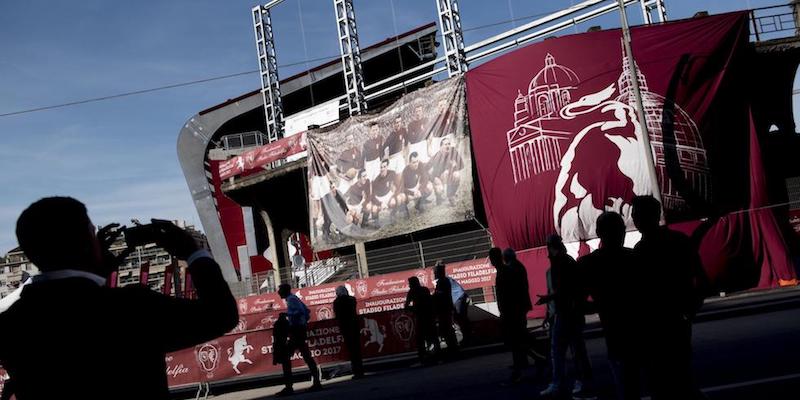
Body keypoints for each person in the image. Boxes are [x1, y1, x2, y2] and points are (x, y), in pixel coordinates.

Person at [0, 197, 238, 399]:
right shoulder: (133, 307)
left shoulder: (10, 322)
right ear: (87, 243)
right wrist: (193, 252)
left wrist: (95, 270)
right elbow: (221, 315)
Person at [631, 195, 706, 400]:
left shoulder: (641, 251)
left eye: (636, 215)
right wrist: (690, 309)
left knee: (661, 383)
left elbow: (638, 293)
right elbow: (701, 279)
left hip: (655, 325)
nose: (635, 219)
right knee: (682, 378)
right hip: (676, 320)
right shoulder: (679, 241)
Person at [578, 212, 644, 400]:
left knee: (627, 389)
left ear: (599, 232)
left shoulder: (588, 264)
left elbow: (579, 304)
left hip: (616, 337)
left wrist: (603, 305)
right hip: (644, 333)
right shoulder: (635, 258)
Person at [537, 235, 594, 399]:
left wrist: (549, 302)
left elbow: (563, 290)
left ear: (550, 247)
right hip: (567, 312)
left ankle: (563, 383)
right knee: (575, 350)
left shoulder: (560, 264)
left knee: (561, 350)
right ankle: (579, 381)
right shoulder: (565, 261)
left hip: (566, 313)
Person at [490, 247, 533, 383]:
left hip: (512, 312)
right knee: (519, 339)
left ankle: (521, 366)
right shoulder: (510, 269)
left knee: (517, 340)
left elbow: (507, 295)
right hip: (514, 310)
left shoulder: (506, 271)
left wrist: (504, 313)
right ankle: (524, 363)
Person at [277, 284, 322, 396]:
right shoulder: (293, 298)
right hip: (299, 330)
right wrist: (303, 323)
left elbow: (301, 311)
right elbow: (307, 311)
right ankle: (316, 381)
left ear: (284, 291)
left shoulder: (291, 299)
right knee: (306, 355)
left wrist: (289, 315)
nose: (278, 292)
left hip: (296, 330)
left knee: (286, 357)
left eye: (280, 290)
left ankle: (289, 387)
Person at [404, 276, 440, 364]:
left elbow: (407, 306)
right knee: (432, 336)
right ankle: (437, 355)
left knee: (421, 338)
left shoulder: (412, 292)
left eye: (410, 284)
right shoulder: (424, 290)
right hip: (428, 317)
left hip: (421, 318)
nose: (409, 285)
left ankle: (423, 357)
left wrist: (413, 309)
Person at [333, 285, 364, 378]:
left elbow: (337, 315)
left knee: (351, 350)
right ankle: (360, 370)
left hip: (345, 327)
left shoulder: (337, 302)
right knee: (357, 349)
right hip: (354, 325)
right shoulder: (352, 299)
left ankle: (356, 371)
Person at [427, 137, 464, 206]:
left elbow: (461, 165)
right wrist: (434, 180)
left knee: (456, 175)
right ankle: (439, 196)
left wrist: (454, 167)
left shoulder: (453, 151)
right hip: (438, 177)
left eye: (449, 144)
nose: (448, 146)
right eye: (445, 144)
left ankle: (451, 195)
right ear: (441, 147)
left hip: (447, 175)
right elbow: (428, 170)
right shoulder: (437, 157)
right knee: (440, 187)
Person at [433, 263, 459, 355]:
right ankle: (453, 347)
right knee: (446, 329)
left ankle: (453, 348)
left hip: (444, 308)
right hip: (444, 308)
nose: (434, 273)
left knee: (447, 329)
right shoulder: (443, 281)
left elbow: (440, 295)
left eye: (436, 271)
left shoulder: (443, 281)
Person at [370, 158, 400, 223]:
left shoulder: (392, 173)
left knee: (395, 201)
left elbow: (398, 187)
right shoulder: (376, 180)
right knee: (374, 208)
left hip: (389, 195)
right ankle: (376, 223)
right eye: (381, 167)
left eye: (384, 167)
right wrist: (380, 203)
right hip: (380, 199)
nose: (382, 169)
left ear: (387, 167)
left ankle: (393, 216)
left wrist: (393, 196)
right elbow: (372, 196)